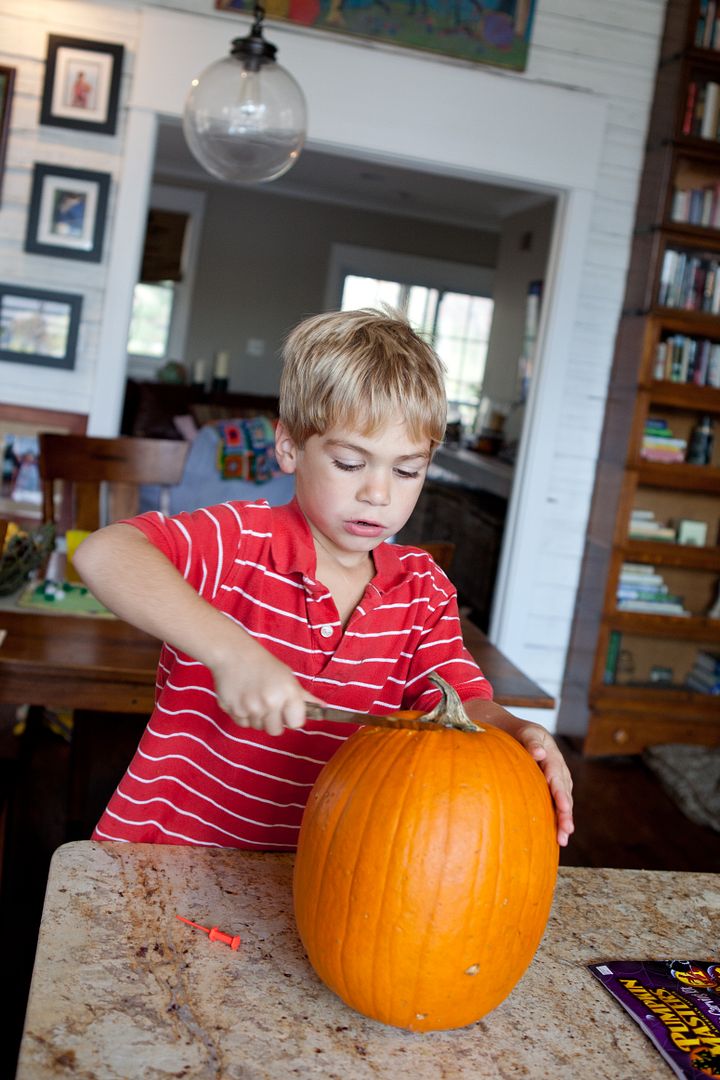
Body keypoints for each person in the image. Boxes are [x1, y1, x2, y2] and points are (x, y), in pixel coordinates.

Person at [75, 308, 574, 850]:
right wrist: (231, 653)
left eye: (407, 470)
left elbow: (461, 706)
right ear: (289, 447)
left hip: (317, 874)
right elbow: (106, 553)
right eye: (349, 463)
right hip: (164, 863)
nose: (378, 493)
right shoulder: (239, 541)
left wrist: (517, 731)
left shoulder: (422, 590)